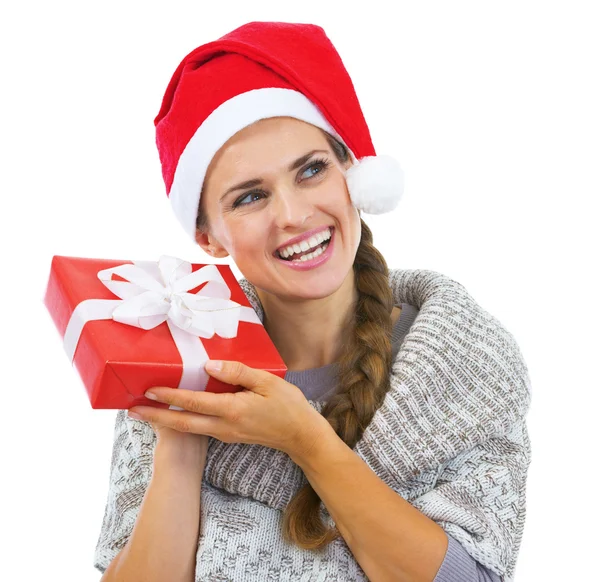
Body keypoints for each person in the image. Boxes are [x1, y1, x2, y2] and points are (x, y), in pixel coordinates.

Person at [93, 21, 531, 582]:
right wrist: (180, 443)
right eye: (250, 197)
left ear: (351, 174)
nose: (294, 216)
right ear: (209, 237)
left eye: (311, 170)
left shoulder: (465, 361)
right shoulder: (178, 354)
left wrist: (304, 439)